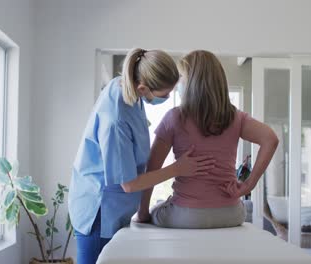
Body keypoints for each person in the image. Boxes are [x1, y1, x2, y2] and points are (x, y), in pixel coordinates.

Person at [68, 48, 215, 264]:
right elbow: (128, 184)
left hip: (116, 206)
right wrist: (177, 168)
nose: (166, 98)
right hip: (99, 210)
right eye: (164, 95)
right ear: (143, 87)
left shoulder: (126, 86)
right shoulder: (116, 120)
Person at [135, 50, 279, 229]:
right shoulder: (235, 117)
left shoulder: (174, 118)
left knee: (158, 208)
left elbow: (152, 169)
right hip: (232, 213)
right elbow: (270, 139)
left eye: (180, 77)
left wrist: (142, 214)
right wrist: (248, 185)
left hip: (187, 215)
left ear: (189, 83)